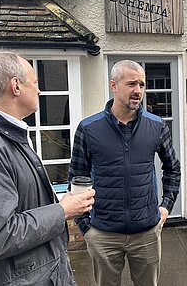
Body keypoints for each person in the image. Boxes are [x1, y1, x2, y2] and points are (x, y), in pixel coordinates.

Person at [0, 50, 95, 285]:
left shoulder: (2, 134)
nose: (39, 90)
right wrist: (62, 210)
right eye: (35, 82)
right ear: (16, 86)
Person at [68, 60, 181, 286]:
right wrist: (85, 227)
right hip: (103, 234)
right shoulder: (89, 128)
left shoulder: (156, 126)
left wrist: (166, 206)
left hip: (146, 233)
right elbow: (77, 178)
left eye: (141, 84)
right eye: (131, 84)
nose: (138, 90)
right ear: (114, 85)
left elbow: (172, 168)